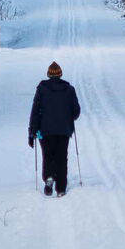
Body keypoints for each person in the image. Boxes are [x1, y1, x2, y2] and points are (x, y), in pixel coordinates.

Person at [29, 61, 81, 197]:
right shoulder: (69, 90)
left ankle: (49, 178)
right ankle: (61, 188)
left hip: (45, 130)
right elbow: (76, 111)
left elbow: (35, 111)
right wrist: (70, 116)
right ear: (60, 74)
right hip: (64, 130)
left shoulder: (41, 89)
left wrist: (31, 132)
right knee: (62, 157)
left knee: (48, 155)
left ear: (48, 74)